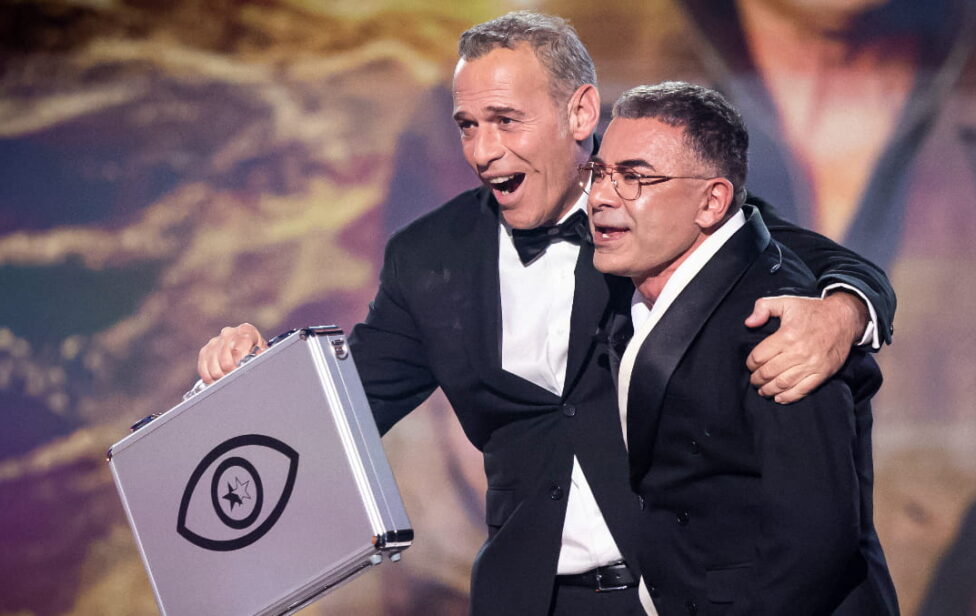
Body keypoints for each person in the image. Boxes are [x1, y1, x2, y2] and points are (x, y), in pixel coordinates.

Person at [196, 12, 896, 616]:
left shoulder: (657, 210)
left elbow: (826, 263)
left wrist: (842, 315)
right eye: (468, 126)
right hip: (533, 597)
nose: (483, 151)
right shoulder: (429, 257)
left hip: (677, 592)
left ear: (580, 113)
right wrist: (250, 381)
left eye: (506, 121)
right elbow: (343, 410)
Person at [589, 81, 897, 615]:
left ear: (713, 201)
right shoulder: (633, 271)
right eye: (598, 173)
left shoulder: (780, 324)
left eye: (635, 177)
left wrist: (848, 309)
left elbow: (813, 543)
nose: (599, 196)